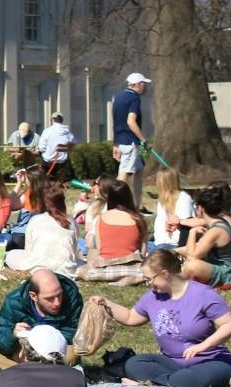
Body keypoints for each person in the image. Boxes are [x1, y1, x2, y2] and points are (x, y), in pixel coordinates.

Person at [91, 249, 231, 387]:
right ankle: (166, 384)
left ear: (165, 274)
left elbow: (229, 325)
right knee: (134, 363)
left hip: (211, 362)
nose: (148, 283)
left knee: (191, 378)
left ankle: (155, 385)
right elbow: (131, 317)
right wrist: (106, 303)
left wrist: (203, 346)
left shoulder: (203, 294)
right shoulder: (152, 297)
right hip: (173, 363)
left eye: (149, 279)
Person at [0, 267, 85, 365]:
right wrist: (13, 333)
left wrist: (45, 338)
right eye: (50, 298)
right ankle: (45, 372)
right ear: (33, 296)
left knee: (72, 353)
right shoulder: (14, 302)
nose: (57, 302)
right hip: (25, 350)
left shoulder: (72, 298)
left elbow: (72, 332)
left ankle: (19, 371)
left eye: (59, 295)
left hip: (55, 351)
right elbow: (0, 341)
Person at [178, 181, 231, 286]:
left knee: (190, 265)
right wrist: (170, 252)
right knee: (175, 258)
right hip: (222, 268)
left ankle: (171, 280)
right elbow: (197, 248)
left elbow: (192, 256)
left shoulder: (216, 230)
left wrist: (192, 232)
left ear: (201, 208)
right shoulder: (217, 222)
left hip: (230, 274)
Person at [5, 184, 79, 274]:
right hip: (65, 267)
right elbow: (73, 252)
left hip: (37, 266)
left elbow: (29, 250)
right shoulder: (71, 221)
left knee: (11, 254)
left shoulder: (36, 219)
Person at [82, 176, 146, 275]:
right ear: (129, 197)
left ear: (110, 198)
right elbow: (142, 250)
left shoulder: (101, 218)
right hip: (133, 266)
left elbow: (100, 248)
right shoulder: (139, 219)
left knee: (91, 250)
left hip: (105, 266)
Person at [111, 71, 150, 203]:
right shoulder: (134, 98)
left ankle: (138, 205)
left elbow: (116, 122)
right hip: (130, 142)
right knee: (123, 175)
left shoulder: (119, 97)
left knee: (138, 171)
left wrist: (115, 144)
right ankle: (114, 203)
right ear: (137, 84)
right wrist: (143, 139)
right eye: (143, 84)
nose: (144, 87)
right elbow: (130, 121)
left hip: (121, 141)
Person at [150, 168, 195, 249]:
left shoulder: (183, 198)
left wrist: (176, 224)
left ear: (164, 182)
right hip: (158, 242)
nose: (155, 182)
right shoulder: (162, 200)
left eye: (157, 179)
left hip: (173, 244)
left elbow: (187, 226)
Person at [38, 112, 75, 178]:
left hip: (48, 161)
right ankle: (56, 178)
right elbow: (72, 143)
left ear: (52, 120)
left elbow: (41, 148)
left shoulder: (47, 131)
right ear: (62, 120)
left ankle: (44, 179)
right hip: (62, 162)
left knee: (41, 158)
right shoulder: (68, 132)